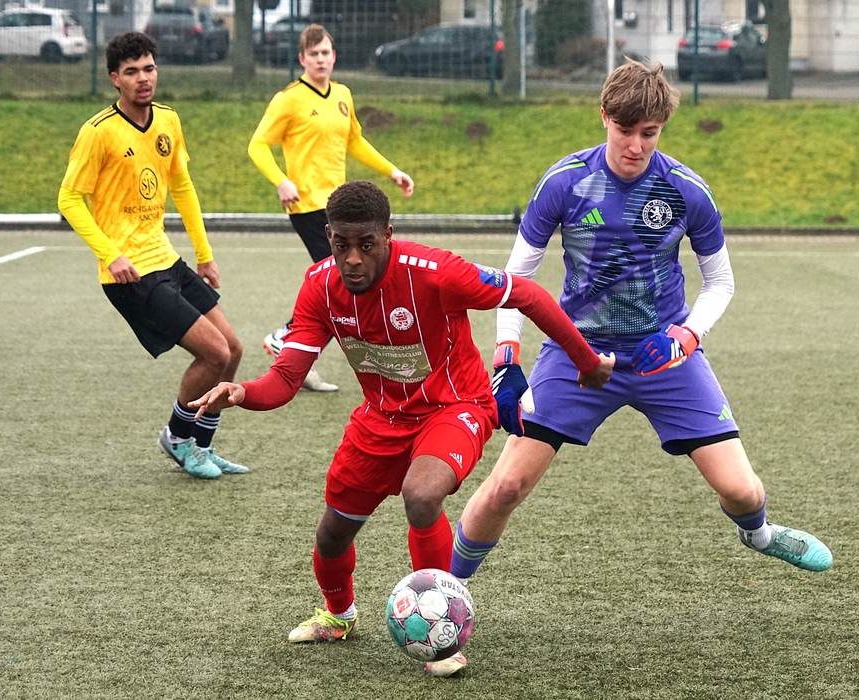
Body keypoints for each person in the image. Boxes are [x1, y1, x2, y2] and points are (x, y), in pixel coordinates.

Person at [448, 60, 833, 671]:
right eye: (625, 130)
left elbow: (721, 282)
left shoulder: (686, 190)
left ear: (661, 130)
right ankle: (446, 595)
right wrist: (506, 356)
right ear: (604, 117)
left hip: (664, 357)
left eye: (648, 133)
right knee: (507, 486)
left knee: (741, 490)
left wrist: (686, 336)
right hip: (577, 353)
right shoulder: (565, 182)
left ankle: (759, 534)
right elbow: (515, 277)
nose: (635, 145)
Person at [189, 181, 614, 676]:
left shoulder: (435, 272)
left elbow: (528, 295)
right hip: (380, 418)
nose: (353, 258)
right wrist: (242, 392)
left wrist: (587, 362)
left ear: (387, 235)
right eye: (341, 244)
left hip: (455, 407)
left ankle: (444, 634)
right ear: (328, 237)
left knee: (422, 494)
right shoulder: (319, 287)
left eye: (366, 244)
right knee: (332, 535)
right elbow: (285, 379)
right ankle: (339, 616)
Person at [58, 31, 246, 480]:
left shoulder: (168, 121)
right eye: (131, 72)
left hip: (166, 258)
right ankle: (177, 438)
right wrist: (111, 254)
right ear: (115, 79)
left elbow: (182, 186)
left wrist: (204, 254)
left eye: (149, 68)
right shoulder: (98, 132)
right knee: (214, 353)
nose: (143, 79)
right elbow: (68, 199)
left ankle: (201, 444)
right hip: (130, 274)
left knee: (233, 350)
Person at [248, 23, 415, 392]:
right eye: (314, 54)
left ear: (334, 56)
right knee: (341, 281)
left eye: (325, 53)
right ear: (302, 59)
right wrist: (281, 180)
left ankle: (291, 344)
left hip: (338, 208)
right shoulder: (289, 99)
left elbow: (354, 141)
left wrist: (392, 171)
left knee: (339, 281)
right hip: (306, 204)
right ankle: (293, 341)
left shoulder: (342, 94)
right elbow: (257, 145)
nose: (320, 59)